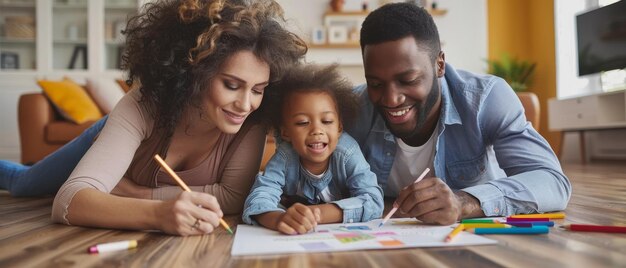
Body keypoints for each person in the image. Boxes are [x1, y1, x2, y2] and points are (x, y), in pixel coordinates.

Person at [1, 0, 306, 236]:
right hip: (107, 133)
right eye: (231, 85)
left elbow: (233, 197)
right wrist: (159, 213)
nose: (245, 103)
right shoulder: (143, 104)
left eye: (258, 89)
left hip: (134, 180)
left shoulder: (252, 119)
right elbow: (68, 201)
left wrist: (138, 195)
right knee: (24, 184)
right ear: (195, 72)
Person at [346, 3, 571, 225]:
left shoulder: (485, 99)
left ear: (439, 65)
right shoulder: (352, 110)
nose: (391, 99)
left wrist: (464, 202)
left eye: (408, 80)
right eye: (375, 84)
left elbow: (552, 181)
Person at [242, 64, 384, 235]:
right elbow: (260, 197)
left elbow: (373, 200)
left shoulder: (347, 153)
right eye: (302, 122)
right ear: (285, 132)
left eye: (327, 121)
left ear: (339, 128)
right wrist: (279, 219)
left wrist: (317, 214)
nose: (317, 130)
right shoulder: (286, 156)